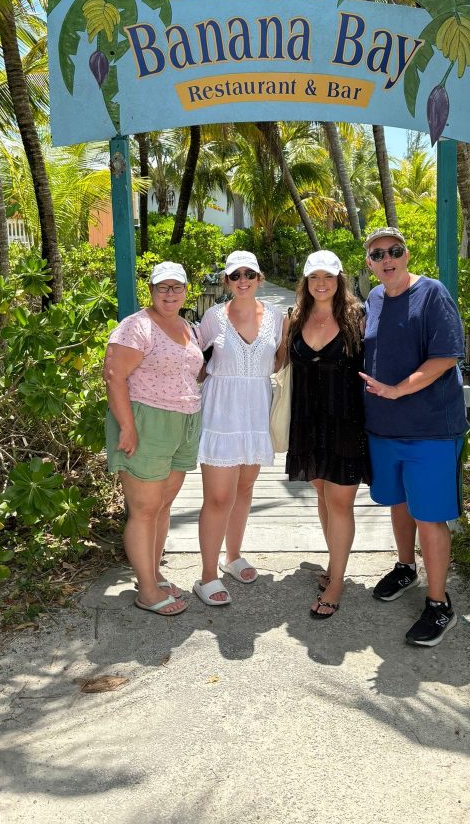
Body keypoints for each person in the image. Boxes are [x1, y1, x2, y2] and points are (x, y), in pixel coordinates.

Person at [359, 227, 467, 647]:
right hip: (384, 427)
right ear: (369, 263)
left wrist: (398, 390)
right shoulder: (373, 298)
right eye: (377, 254)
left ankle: (440, 604)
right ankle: (406, 567)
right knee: (399, 501)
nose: (386, 259)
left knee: (430, 515)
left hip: (431, 429)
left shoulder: (432, 293)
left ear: (406, 254)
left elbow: (446, 356)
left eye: (394, 251)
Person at [103, 261, 204, 617]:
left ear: (186, 291)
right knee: (145, 509)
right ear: (151, 290)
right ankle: (146, 591)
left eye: (177, 287)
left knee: (162, 505)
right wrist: (127, 427)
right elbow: (113, 375)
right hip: (148, 422)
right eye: (163, 287)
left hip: (184, 424)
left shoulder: (188, 327)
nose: (170, 293)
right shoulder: (136, 326)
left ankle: (154, 575)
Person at [192, 251, 287, 606]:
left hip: (255, 412)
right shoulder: (213, 317)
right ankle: (207, 575)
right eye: (235, 275)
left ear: (260, 278)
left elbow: (279, 361)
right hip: (221, 413)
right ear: (226, 281)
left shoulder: (277, 317)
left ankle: (232, 557)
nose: (242, 280)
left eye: (249, 274)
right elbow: (195, 361)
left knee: (244, 488)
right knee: (218, 498)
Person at [286, 250, 371, 620]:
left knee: (339, 502)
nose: (321, 283)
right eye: (314, 277)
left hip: (345, 421)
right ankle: (334, 564)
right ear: (306, 282)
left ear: (340, 279)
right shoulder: (295, 317)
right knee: (322, 493)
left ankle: (336, 584)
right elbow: (278, 361)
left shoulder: (358, 316)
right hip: (307, 421)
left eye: (328, 276)